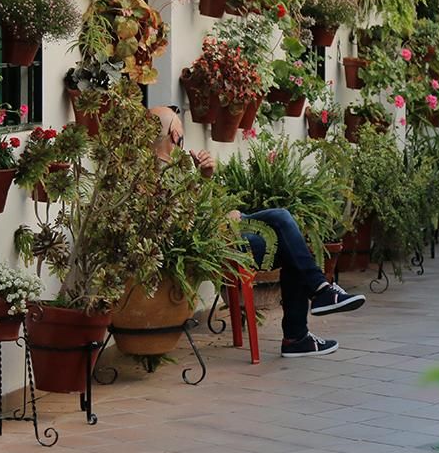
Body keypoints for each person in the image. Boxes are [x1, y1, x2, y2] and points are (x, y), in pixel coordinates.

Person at [149, 106, 365, 357]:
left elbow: (198, 207)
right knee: (290, 247)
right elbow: (185, 225)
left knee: (281, 217)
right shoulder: (158, 174)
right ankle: (305, 322)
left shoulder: (162, 167)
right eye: (182, 134)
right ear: (175, 134)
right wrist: (217, 216)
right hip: (218, 242)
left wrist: (205, 178)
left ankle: (318, 297)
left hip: (224, 226)